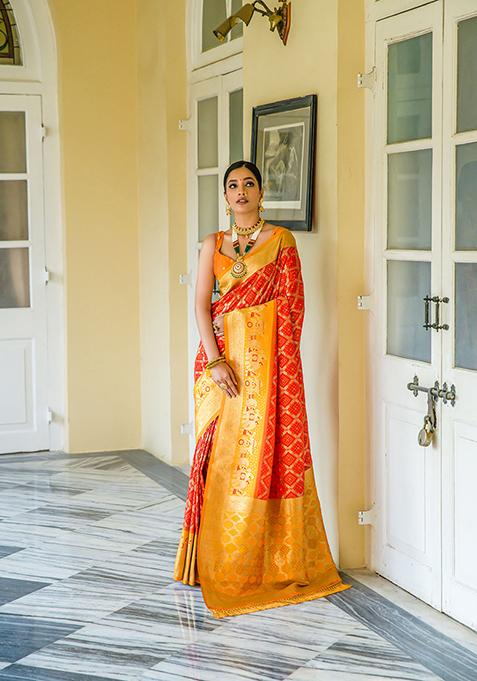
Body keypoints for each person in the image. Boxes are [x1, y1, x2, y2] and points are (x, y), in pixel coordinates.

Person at [173, 160, 352, 618]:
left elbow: (292, 308)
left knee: (263, 459)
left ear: (261, 190)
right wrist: (215, 360)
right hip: (218, 365)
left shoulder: (280, 242)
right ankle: (207, 558)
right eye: (232, 185)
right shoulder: (211, 243)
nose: (240, 191)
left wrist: (268, 365)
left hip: (268, 370)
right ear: (225, 195)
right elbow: (199, 305)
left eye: (248, 184)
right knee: (212, 457)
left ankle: (260, 558)